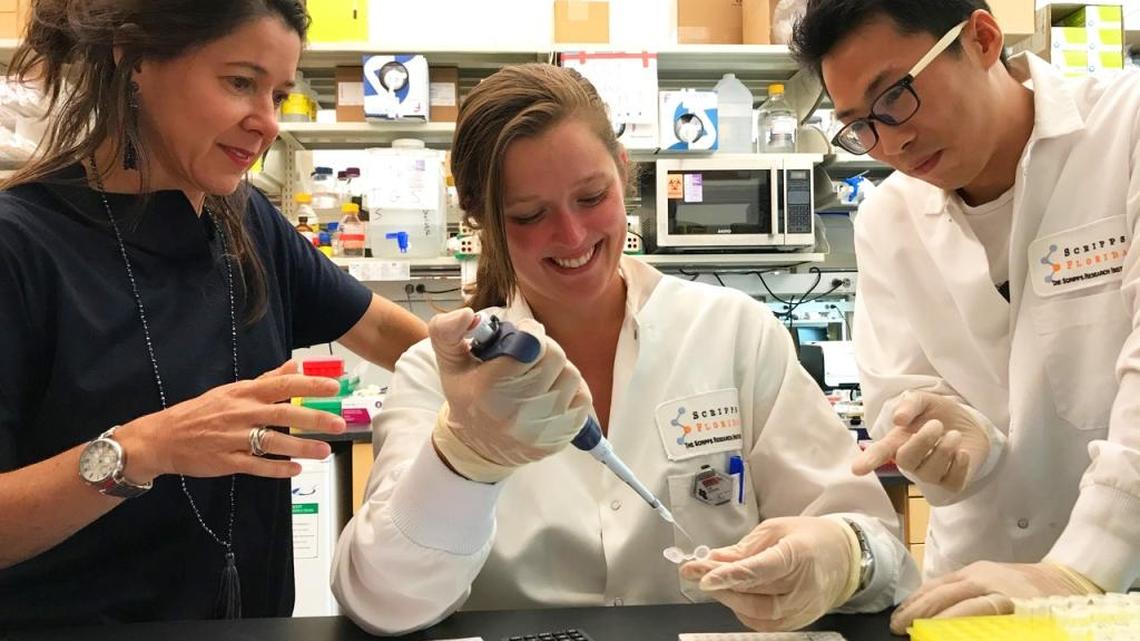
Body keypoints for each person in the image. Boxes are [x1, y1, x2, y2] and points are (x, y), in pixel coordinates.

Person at [331, 62, 917, 635]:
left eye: (591, 197)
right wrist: (464, 459)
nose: (573, 236)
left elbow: (883, 551)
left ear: (622, 169)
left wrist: (842, 553)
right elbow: (380, 601)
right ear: (482, 220)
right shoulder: (437, 375)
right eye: (529, 215)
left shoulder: (734, 333)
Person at [0, 0, 427, 629]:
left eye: (280, 94)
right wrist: (145, 448)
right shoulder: (22, 247)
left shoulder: (247, 223)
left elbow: (398, 338)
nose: (268, 123)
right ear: (135, 57)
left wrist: (489, 366)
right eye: (241, 82)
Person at [792, 0, 1140, 632]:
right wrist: (952, 440)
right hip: (974, 597)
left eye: (895, 96)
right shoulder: (887, 219)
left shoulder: (1127, 128)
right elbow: (905, 395)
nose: (890, 141)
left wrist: (1080, 569)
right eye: (859, 125)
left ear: (980, 38)